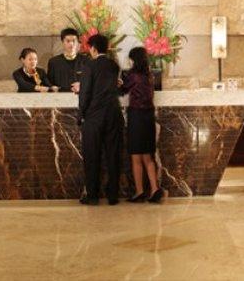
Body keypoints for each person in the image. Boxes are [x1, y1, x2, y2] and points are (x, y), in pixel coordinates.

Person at [77, 34, 124, 206]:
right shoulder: (114, 65)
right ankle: (113, 196)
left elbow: (86, 92)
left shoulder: (89, 65)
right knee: (113, 155)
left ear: (93, 48)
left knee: (92, 156)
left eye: (90, 48)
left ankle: (93, 196)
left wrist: (80, 114)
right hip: (113, 114)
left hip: (94, 116)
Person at [120, 47, 164, 204]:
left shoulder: (132, 76)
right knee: (147, 155)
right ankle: (154, 189)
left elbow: (122, 90)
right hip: (149, 117)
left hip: (136, 116)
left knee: (136, 156)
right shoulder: (150, 76)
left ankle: (139, 191)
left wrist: (118, 83)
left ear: (134, 60)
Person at [48, 28, 85, 93]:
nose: (71, 44)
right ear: (62, 42)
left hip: (80, 97)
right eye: (68, 41)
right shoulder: (53, 62)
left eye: (74, 41)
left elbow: (92, 82)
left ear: (77, 43)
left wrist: (82, 85)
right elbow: (49, 84)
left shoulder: (86, 61)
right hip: (59, 97)